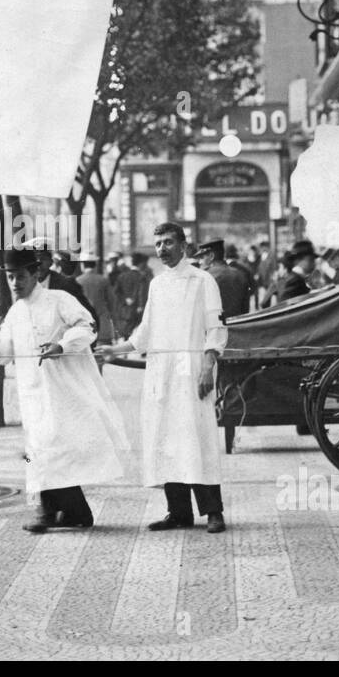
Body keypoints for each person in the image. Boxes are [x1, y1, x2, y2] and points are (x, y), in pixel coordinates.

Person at [0, 248, 132, 532]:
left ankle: (50, 513)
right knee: (40, 451)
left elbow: (87, 326)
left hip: (63, 393)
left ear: (35, 274)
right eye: (10, 278)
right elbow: (3, 355)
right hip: (32, 396)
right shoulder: (15, 312)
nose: (15, 284)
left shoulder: (59, 300)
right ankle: (73, 512)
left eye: (20, 277)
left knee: (54, 451)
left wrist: (62, 345)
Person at [100, 223, 228, 533]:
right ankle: (178, 511)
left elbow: (216, 328)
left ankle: (213, 512)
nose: (162, 249)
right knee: (167, 439)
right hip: (162, 372)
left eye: (169, 242)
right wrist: (115, 348)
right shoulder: (157, 284)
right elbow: (145, 331)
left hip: (191, 370)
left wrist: (207, 366)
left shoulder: (203, 280)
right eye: (157, 243)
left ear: (184, 245)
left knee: (197, 437)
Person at [29, 238, 98, 329]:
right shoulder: (25, 287)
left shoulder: (66, 285)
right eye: (35, 260)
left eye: (43, 259)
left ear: (51, 261)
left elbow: (90, 320)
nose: (38, 265)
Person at [197, 238, 250, 320]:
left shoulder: (205, 277)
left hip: (214, 330)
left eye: (202, 257)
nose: (200, 262)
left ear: (211, 256)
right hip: (238, 328)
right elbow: (245, 309)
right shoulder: (240, 275)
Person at [76, 254, 117, 344]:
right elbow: (112, 301)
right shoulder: (103, 280)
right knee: (103, 352)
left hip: (83, 324)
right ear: (95, 265)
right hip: (102, 324)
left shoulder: (77, 281)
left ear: (82, 265)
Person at [112, 253, 148, 340]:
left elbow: (116, 292)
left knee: (125, 333)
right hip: (136, 311)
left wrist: (125, 299)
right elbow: (142, 293)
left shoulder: (122, 276)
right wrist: (140, 306)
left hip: (123, 310)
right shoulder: (141, 277)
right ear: (141, 263)